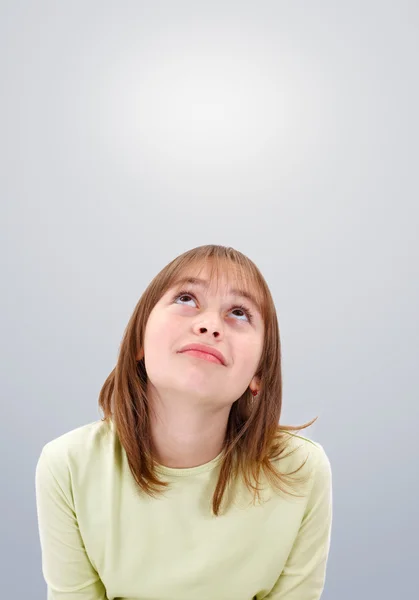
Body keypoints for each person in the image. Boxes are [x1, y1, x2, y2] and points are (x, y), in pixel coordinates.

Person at [35, 244, 333, 600]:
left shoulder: (301, 472)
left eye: (239, 312)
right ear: (139, 344)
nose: (209, 325)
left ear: (258, 375)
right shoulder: (67, 467)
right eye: (187, 299)